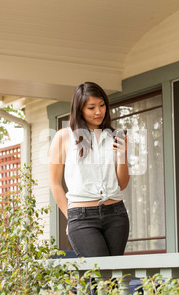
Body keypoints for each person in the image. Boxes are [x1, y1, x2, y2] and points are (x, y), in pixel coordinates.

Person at [49, 82, 130, 257]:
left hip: (116, 213)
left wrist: (123, 155)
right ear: (79, 109)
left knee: (115, 279)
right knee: (100, 276)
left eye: (102, 105)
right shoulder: (63, 137)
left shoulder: (115, 137)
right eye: (91, 107)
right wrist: (70, 217)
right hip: (82, 216)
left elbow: (122, 184)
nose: (99, 112)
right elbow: (55, 184)